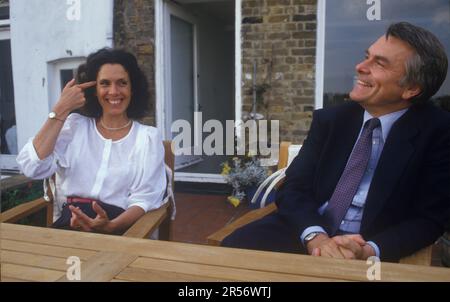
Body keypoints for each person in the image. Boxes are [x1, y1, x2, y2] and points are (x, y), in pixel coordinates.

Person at [222, 22, 450, 262]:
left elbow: (429, 218)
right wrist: (316, 238)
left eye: (379, 63)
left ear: (412, 88)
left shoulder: (438, 131)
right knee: (231, 253)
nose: (360, 67)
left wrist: (368, 250)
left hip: (372, 244)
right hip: (308, 228)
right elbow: (294, 187)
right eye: (366, 57)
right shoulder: (330, 120)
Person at [17, 48, 167, 234]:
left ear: (132, 89)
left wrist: (111, 226)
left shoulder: (147, 138)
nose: (113, 91)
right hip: (69, 225)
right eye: (104, 83)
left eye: (122, 83)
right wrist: (61, 109)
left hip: (118, 230)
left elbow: (144, 198)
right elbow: (33, 167)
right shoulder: (75, 127)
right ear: (94, 90)